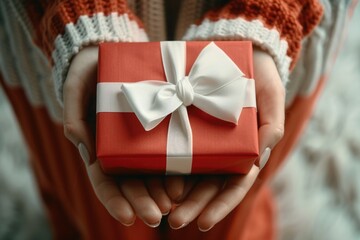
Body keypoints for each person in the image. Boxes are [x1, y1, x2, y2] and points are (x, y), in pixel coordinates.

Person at [0, 0, 356, 239]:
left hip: (267, 37)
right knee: (86, 198)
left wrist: (271, 11)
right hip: (61, 34)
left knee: (233, 204)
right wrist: (73, 11)